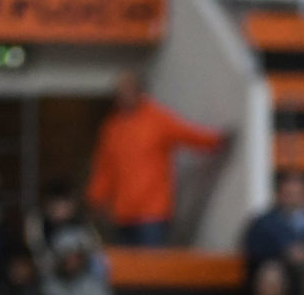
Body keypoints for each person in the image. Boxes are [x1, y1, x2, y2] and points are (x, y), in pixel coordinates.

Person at [85, 73, 228, 245]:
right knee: (127, 268)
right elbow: (104, 167)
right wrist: (96, 198)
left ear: (140, 91)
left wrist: (216, 141)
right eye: (119, 92)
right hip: (122, 212)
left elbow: (187, 134)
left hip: (152, 212)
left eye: (127, 91)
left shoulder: (157, 119)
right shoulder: (112, 128)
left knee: (152, 266)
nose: (123, 96)